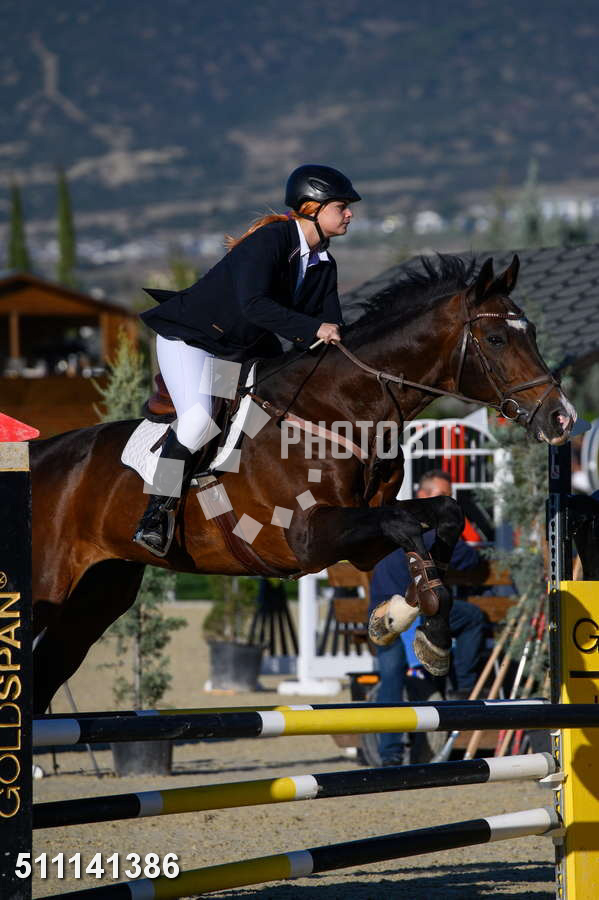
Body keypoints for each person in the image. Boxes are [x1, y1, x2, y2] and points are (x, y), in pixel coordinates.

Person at [133, 164, 361, 556]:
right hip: (192, 339)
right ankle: (155, 514)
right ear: (312, 207)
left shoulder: (324, 263)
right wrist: (314, 329)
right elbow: (254, 305)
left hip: (238, 351)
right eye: (341, 206)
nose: (350, 213)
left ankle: (233, 499)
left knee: (269, 414)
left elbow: (331, 326)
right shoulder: (270, 241)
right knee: (198, 423)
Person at [368, 469, 488, 766]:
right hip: (418, 611)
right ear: (423, 496)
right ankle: (463, 688)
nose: (449, 502)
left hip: (384, 613)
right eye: (443, 495)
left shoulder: (390, 524)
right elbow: (469, 559)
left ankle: (390, 754)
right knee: (473, 617)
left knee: (391, 675)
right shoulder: (433, 531)